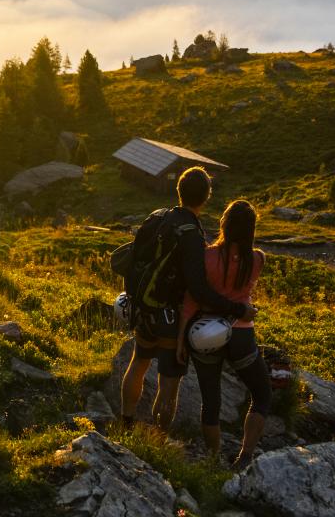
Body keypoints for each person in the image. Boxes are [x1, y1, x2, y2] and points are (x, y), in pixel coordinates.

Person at [118, 166, 213, 431]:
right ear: (206, 197)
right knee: (169, 381)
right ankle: (158, 438)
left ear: (178, 190)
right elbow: (197, 285)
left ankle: (126, 421)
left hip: (144, 308)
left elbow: (136, 258)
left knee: (139, 361)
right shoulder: (192, 233)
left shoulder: (158, 217)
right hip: (171, 316)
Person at [181, 198, 271, 469]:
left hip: (204, 334)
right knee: (262, 393)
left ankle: (213, 459)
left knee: (211, 400)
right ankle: (245, 457)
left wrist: (180, 339)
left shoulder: (207, 256)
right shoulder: (257, 259)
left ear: (224, 224)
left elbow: (190, 301)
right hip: (240, 334)